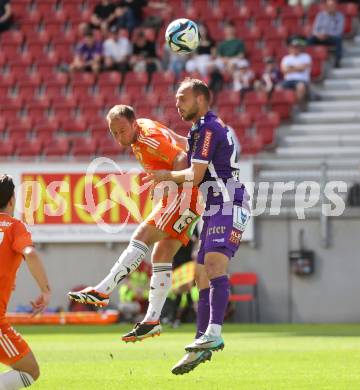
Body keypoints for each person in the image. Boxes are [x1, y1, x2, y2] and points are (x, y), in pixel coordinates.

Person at [68, 105, 202, 342]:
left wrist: (172, 186)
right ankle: (152, 320)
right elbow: (180, 143)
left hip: (184, 196)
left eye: (121, 131)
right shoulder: (144, 128)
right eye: (114, 133)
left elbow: (181, 158)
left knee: (141, 236)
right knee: (161, 255)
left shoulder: (147, 139)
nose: (119, 137)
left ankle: (103, 290)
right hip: (191, 199)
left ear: (133, 124)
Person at [144, 78, 250, 375]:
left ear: (201, 100)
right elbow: (188, 157)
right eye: (177, 99)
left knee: (214, 266)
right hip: (214, 206)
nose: (177, 104)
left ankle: (214, 333)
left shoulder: (207, 127)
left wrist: (167, 176)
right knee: (201, 275)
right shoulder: (199, 129)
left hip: (228, 202)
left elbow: (195, 172)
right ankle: (199, 345)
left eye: (183, 99)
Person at [0, 174, 51, 389]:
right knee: (30, 370)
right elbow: (30, 253)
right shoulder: (14, 226)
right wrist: (46, 291)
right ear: (12, 200)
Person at [308, 0, 344, 68]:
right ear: (327, 6)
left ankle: (337, 61)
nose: (331, 7)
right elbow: (315, 29)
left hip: (331, 38)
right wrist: (319, 35)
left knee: (339, 39)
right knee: (310, 39)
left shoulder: (340, 16)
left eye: (333, 5)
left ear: (336, 6)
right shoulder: (320, 15)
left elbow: (339, 31)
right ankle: (311, 59)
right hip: (319, 37)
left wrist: (327, 34)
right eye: (329, 5)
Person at [280, 38, 312, 106]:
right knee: (278, 88)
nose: (295, 49)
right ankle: (284, 106)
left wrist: (290, 67)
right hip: (288, 80)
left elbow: (303, 68)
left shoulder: (306, 56)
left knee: (300, 87)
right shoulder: (286, 58)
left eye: (297, 47)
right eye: (293, 47)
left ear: (300, 48)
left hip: (302, 80)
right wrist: (298, 67)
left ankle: (298, 104)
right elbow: (284, 70)